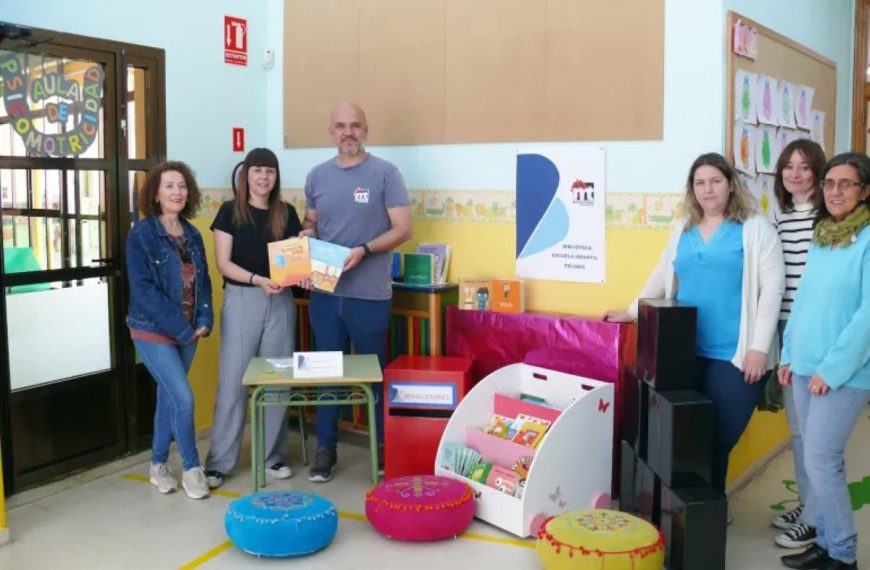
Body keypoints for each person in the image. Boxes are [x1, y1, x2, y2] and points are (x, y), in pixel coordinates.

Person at [605, 152, 785, 498]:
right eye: (700, 183)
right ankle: (687, 517)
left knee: (718, 438)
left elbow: (772, 288)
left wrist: (759, 348)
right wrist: (632, 310)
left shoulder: (754, 228)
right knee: (684, 436)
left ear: (730, 185)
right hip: (684, 353)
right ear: (692, 190)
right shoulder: (682, 229)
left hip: (735, 355)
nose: (708, 189)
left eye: (716, 181)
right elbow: (661, 274)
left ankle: (709, 514)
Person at [302, 102, 413, 483]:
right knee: (327, 372)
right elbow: (311, 223)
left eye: (355, 125)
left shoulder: (386, 173)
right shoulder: (316, 176)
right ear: (329, 132)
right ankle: (325, 449)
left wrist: (364, 250)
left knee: (373, 374)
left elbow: (403, 228)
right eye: (340, 126)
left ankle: (383, 448)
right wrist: (306, 239)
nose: (347, 132)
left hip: (369, 294)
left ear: (366, 129)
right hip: (325, 293)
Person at [778, 152, 869, 570]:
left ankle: (844, 555)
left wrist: (829, 370)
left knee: (819, 458)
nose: (835, 191)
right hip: (803, 367)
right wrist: (788, 353)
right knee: (822, 460)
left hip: (844, 374)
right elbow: (804, 302)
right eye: (830, 183)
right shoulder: (824, 234)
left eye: (845, 184)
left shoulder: (867, 239)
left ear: (865, 191)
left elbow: (867, 318)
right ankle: (828, 544)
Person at [204, 148, 303, 489]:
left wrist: (304, 254)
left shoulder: (287, 213)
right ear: (245, 174)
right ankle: (219, 462)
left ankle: (273, 457)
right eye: (257, 171)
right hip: (243, 299)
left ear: (276, 177)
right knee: (234, 382)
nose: (264, 177)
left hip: (281, 302)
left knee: (277, 380)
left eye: (270, 172)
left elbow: (295, 261)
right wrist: (257, 280)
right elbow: (224, 264)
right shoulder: (230, 212)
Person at [126, 161, 213, 499]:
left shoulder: (192, 234)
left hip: (190, 331)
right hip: (153, 330)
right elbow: (144, 290)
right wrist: (180, 328)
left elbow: (203, 281)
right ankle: (192, 468)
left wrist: (204, 318)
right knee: (184, 397)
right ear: (156, 194)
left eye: (182, 186)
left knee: (168, 396)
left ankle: (157, 465)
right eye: (169, 186)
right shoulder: (142, 235)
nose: (177, 192)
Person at [769, 139, 826, 550]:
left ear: (818, 173)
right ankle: (810, 505)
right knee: (799, 431)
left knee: (814, 434)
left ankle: (815, 518)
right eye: (788, 167)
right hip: (785, 329)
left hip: (814, 331)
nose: (795, 174)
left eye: (804, 168)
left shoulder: (828, 218)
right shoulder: (782, 217)